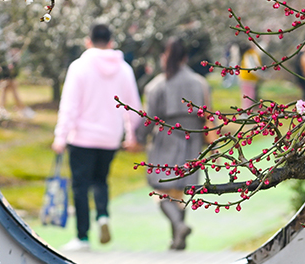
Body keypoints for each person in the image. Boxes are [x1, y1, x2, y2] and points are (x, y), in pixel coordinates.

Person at [52, 23, 141, 251]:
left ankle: (82, 237)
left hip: (82, 137)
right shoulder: (124, 69)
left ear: (88, 41)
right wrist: (132, 135)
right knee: (101, 180)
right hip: (110, 137)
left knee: (80, 187)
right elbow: (133, 106)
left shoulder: (79, 67)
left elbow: (69, 106)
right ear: (111, 43)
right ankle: (103, 215)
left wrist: (60, 137)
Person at [136, 38, 212, 250]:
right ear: (185, 58)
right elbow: (208, 113)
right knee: (180, 190)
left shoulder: (157, 85)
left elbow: (149, 117)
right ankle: (178, 238)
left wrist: (138, 137)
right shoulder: (200, 83)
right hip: (193, 139)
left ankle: (178, 226)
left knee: (160, 188)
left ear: (164, 57)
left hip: (166, 138)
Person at [237, 42, 261, 109]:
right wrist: (261, 76)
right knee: (248, 98)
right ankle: (246, 114)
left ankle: (247, 113)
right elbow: (252, 68)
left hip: (249, 79)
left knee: (249, 97)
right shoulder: (250, 54)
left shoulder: (253, 53)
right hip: (247, 78)